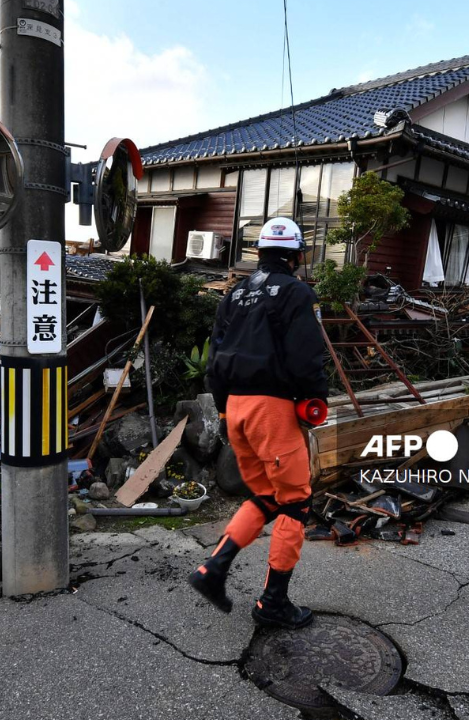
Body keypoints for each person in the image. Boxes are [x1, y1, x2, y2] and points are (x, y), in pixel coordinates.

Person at [187, 217, 329, 629]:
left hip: (236, 409)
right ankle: (273, 604)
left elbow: (215, 358)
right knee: (296, 502)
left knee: (266, 496)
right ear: (296, 256)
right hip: (273, 410)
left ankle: (212, 570)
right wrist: (315, 399)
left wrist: (225, 407)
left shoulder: (235, 294)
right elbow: (306, 355)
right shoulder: (297, 293)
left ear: (261, 252)